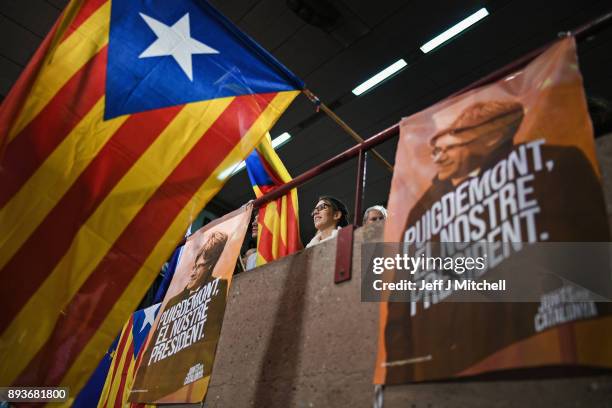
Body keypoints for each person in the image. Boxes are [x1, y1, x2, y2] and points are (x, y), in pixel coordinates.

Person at [132, 230, 228, 402]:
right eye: (194, 266)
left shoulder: (220, 289)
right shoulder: (172, 301)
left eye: (200, 267)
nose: (192, 273)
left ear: (210, 267)